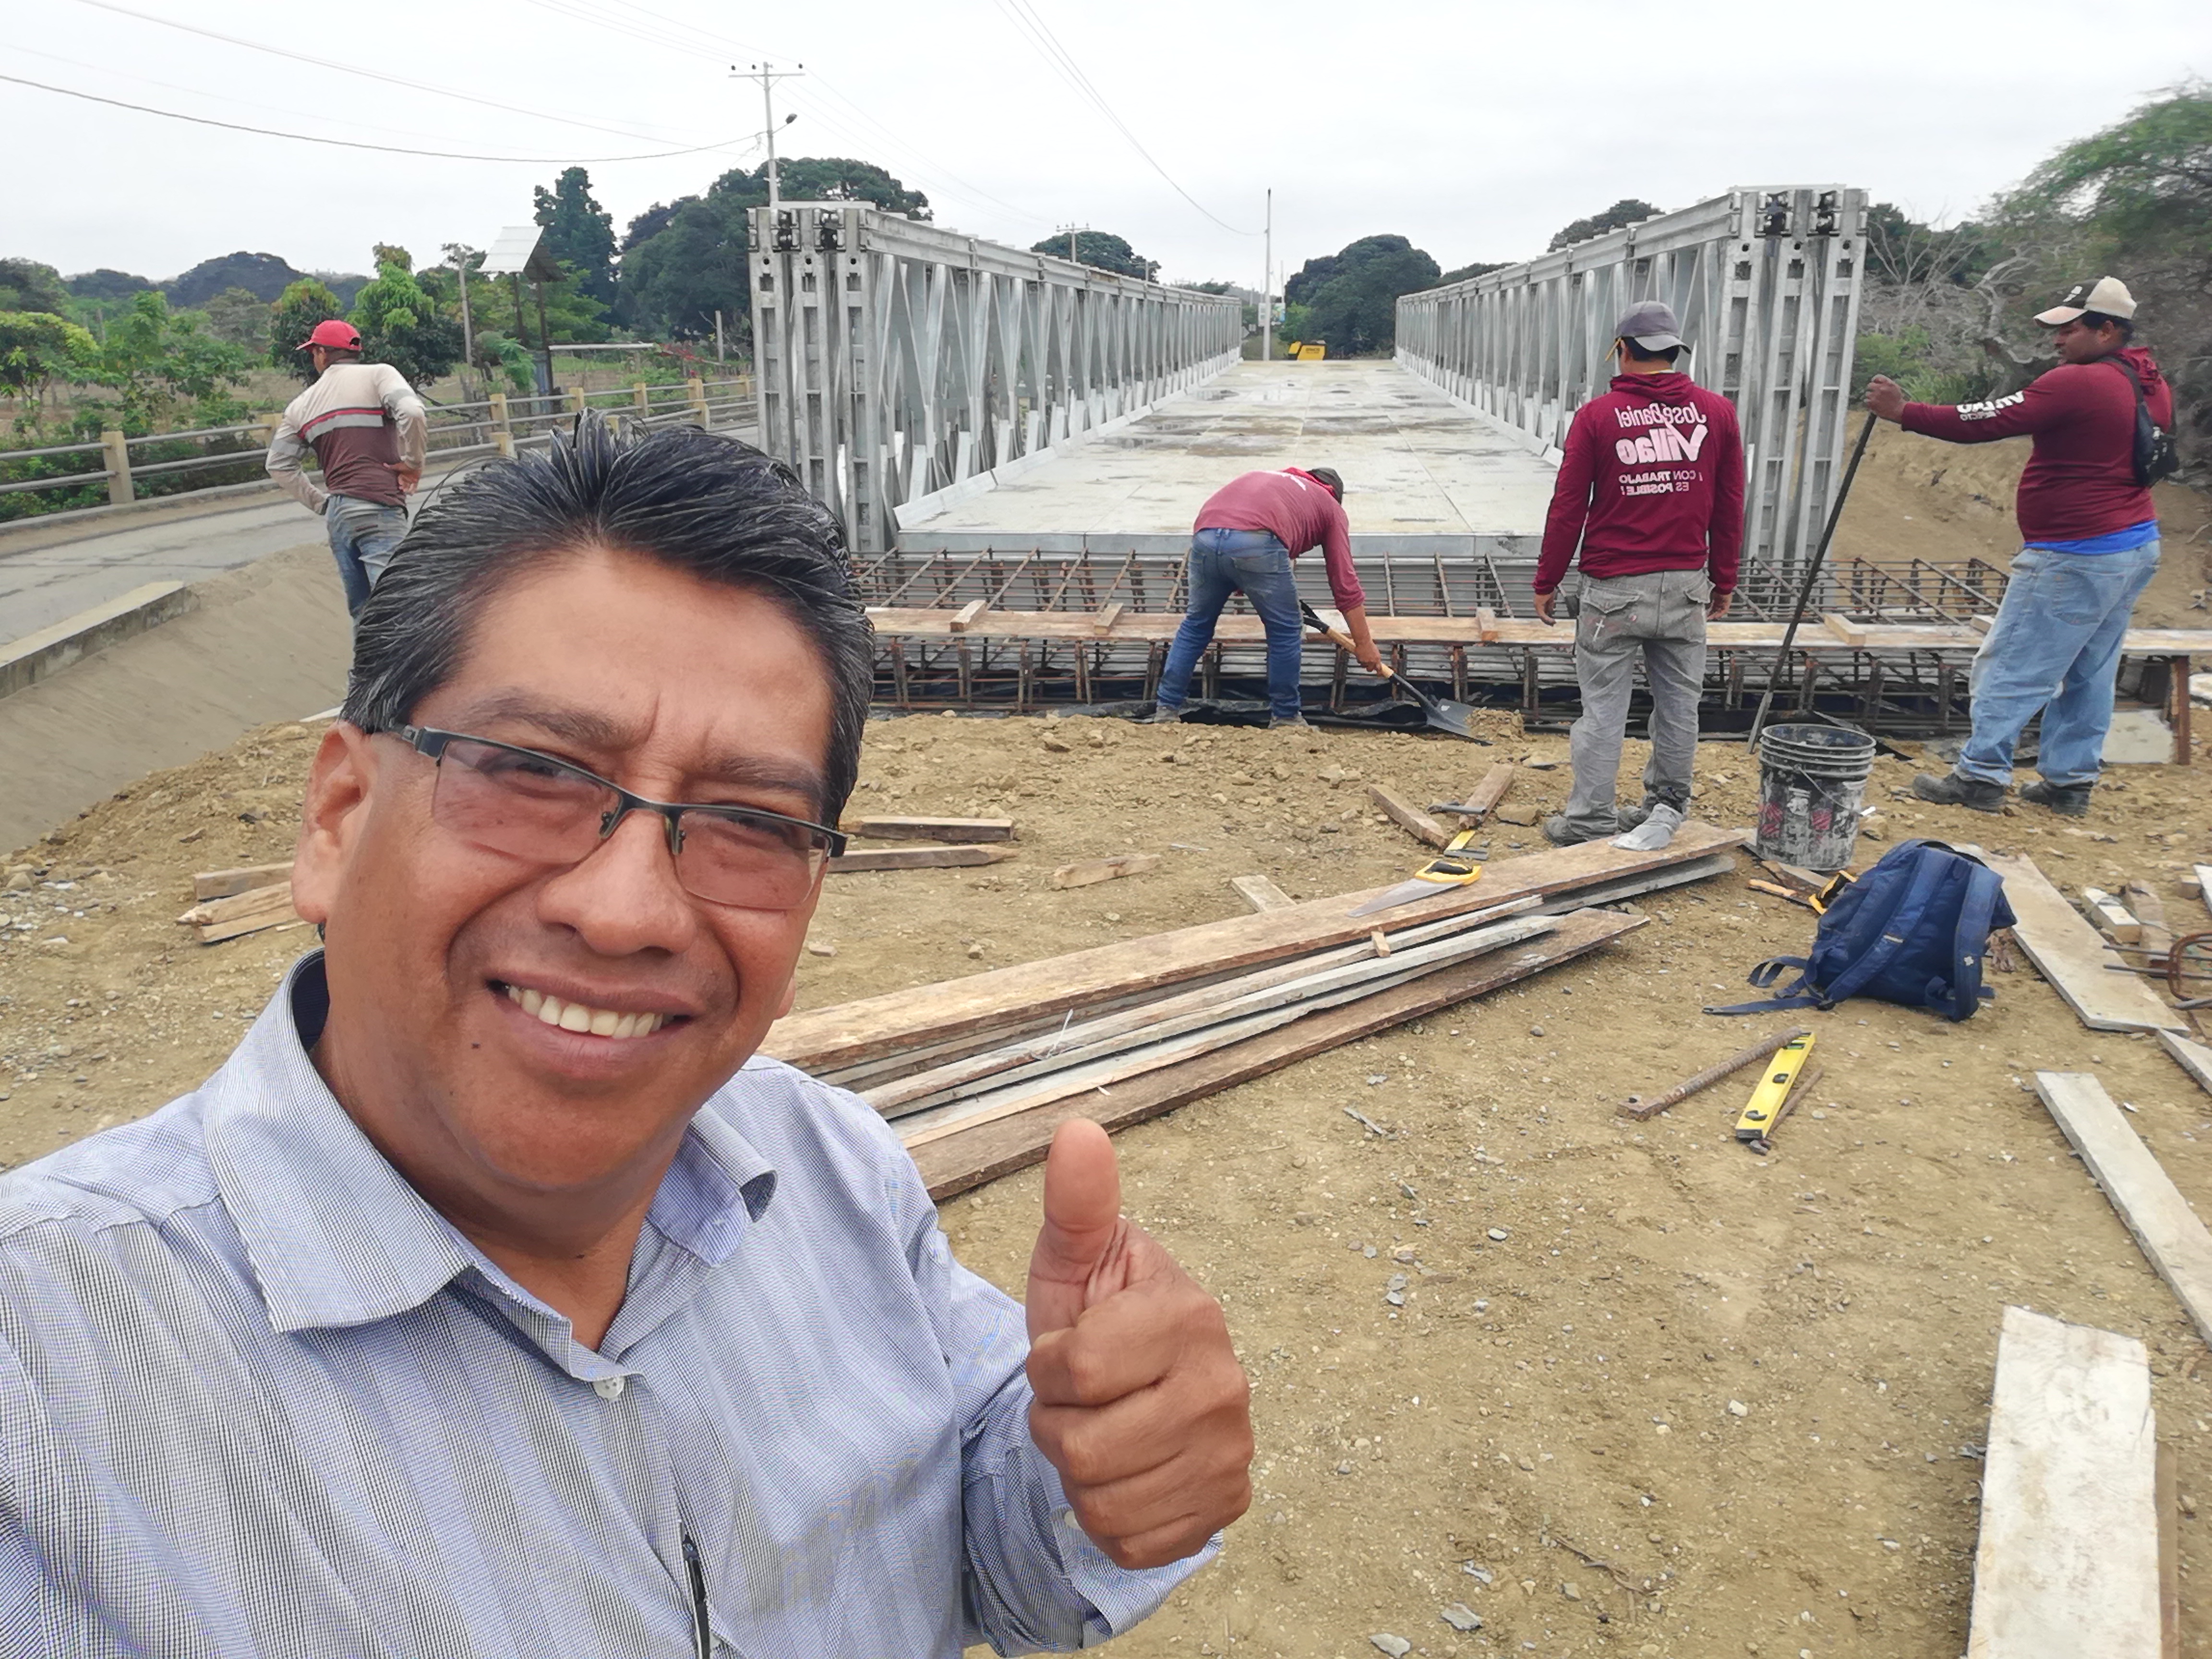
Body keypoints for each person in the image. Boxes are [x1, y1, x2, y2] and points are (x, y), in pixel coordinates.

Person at [0, 415, 1252, 1656]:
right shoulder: (45, 1380)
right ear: (337, 816)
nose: (626, 912)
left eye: (749, 822)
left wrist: (1087, 1477)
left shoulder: (833, 1171)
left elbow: (984, 1537)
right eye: (532, 772)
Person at [1870, 277, 2175, 817]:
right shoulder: (2146, 379)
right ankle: (2069, 782)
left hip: (2076, 553)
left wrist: (1904, 411)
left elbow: (1987, 420)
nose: (2057, 340)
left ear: (2107, 330)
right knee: (2090, 671)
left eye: (2070, 329)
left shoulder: (2079, 381)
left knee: (2012, 664)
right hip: (2131, 546)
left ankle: (1980, 775)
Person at [1533, 301, 1743, 847]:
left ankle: (1589, 820)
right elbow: (1729, 506)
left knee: (1604, 709)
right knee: (1679, 706)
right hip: (1686, 586)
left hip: (1613, 592)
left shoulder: (1597, 417)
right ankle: (1665, 807)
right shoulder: (1717, 414)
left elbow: (1569, 507)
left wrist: (1547, 579)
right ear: (1674, 352)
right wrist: (1724, 579)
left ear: (1622, 351)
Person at [1149, 466, 1383, 729]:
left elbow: (1235, 530)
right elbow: (1345, 583)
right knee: (1286, 629)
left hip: (1205, 536)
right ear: (1335, 494)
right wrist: (1365, 644)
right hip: (1257, 541)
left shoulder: (1277, 481)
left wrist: (1239, 575)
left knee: (1196, 624)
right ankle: (1286, 717)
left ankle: (1166, 710)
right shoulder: (1331, 507)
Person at [266, 318, 428, 616]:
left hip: (339, 516)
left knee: (363, 612)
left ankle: (365, 651)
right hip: (379, 506)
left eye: (313, 353)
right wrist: (413, 464)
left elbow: (278, 465)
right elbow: (412, 412)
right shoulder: (379, 375)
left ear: (321, 353)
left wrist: (323, 504)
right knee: (396, 608)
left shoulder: (301, 406)